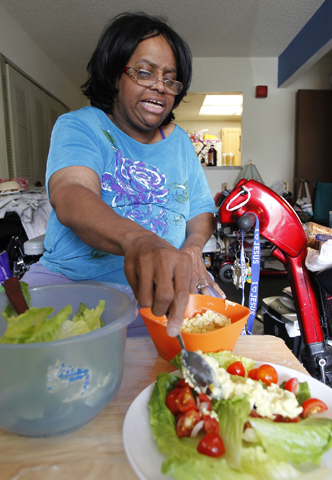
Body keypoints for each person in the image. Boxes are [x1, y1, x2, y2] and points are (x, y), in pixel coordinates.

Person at [22, 12, 225, 336]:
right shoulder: (81, 125)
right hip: (73, 286)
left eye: (170, 78)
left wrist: (192, 249)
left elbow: (201, 210)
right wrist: (141, 241)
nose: (160, 86)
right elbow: (72, 193)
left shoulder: (181, 142)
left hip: (160, 296)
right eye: (145, 72)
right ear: (116, 74)